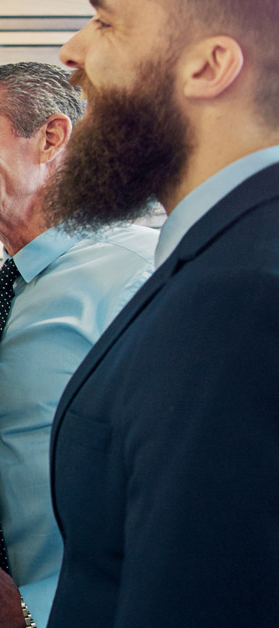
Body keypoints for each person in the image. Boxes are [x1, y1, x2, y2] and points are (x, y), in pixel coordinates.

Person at [43, 2, 279, 626]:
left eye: (107, 21)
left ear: (209, 66)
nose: (71, 50)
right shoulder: (229, 259)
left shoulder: (241, 298)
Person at [0, 62, 157, 628]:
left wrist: (35, 608)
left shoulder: (143, 274)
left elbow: (177, 483)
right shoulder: (8, 292)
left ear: (51, 138)